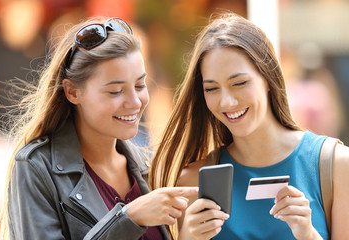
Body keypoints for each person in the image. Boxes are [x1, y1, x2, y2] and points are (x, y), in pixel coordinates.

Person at [0, 17, 198, 240]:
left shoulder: (145, 168)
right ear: (72, 92)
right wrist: (129, 219)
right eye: (115, 91)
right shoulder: (35, 168)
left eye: (140, 86)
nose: (135, 102)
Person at [150, 12, 349, 240]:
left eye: (240, 83)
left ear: (268, 78)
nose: (227, 102)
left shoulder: (337, 166)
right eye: (212, 88)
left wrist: (308, 234)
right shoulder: (194, 181)